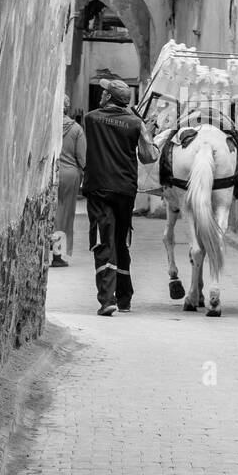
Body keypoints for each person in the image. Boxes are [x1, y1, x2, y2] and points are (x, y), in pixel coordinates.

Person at [82, 78, 158, 316]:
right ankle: (124, 297)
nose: (101, 94)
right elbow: (149, 157)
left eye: (104, 92)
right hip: (125, 191)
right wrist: (147, 129)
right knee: (121, 240)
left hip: (99, 189)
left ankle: (107, 299)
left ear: (108, 97)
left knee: (103, 241)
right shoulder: (136, 124)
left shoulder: (91, 118)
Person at [52, 94, 86, 268]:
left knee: (50, 213)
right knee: (64, 215)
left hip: (51, 172)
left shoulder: (49, 125)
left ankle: (45, 251)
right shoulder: (76, 129)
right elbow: (82, 158)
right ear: (67, 107)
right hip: (70, 174)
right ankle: (57, 256)